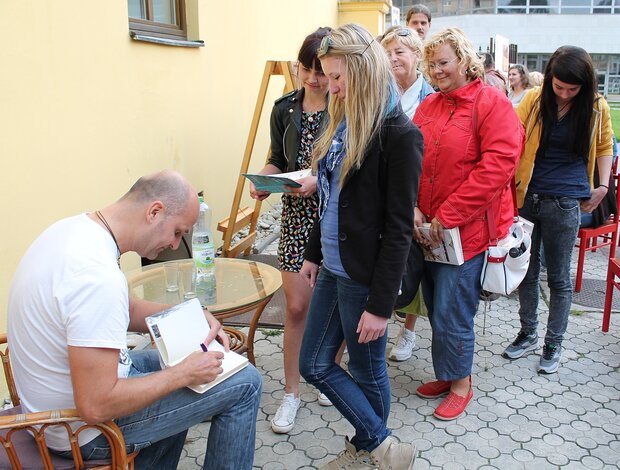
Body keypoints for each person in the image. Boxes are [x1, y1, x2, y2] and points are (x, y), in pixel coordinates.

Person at [7, 170, 262, 470]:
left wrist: (190, 315)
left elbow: (122, 311)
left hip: (56, 403)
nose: (174, 244)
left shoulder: (75, 232)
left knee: (175, 364)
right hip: (80, 433)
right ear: (155, 212)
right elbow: (95, 405)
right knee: (245, 383)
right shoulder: (96, 277)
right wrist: (180, 374)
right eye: (178, 232)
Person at [299, 23, 423, 469]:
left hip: (364, 276)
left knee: (369, 371)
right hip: (334, 266)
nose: (330, 88)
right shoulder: (345, 123)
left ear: (363, 71)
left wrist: (380, 304)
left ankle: (366, 451)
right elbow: (331, 196)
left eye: (337, 77)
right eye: (327, 77)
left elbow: (398, 229)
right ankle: (383, 447)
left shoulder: (399, 135)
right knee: (313, 363)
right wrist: (315, 253)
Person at [412, 28, 523, 420]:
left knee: (452, 310)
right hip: (429, 232)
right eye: (432, 64)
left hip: (467, 233)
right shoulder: (430, 105)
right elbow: (410, 157)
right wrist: (414, 209)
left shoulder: (492, 104)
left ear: (464, 59)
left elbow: (496, 168)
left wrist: (448, 214)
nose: (437, 71)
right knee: (434, 303)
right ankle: (447, 372)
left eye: (444, 62)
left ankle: (461, 383)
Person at [248, 26, 338, 435]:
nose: (314, 79)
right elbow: (277, 159)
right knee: (297, 309)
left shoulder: (346, 107)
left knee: (331, 306)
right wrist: (263, 180)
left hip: (333, 219)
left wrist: (320, 182)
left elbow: (352, 166)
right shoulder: (285, 107)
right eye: (307, 69)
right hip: (296, 221)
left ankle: (330, 373)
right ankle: (291, 393)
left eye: (321, 70)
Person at [502, 46, 613, 374]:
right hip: (528, 197)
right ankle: (528, 332)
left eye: (572, 89)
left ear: (585, 86)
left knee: (559, 278)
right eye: (559, 87)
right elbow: (512, 133)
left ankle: (554, 341)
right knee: (526, 271)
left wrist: (604, 185)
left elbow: (605, 145)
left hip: (566, 202)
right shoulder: (535, 99)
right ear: (550, 78)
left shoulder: (596, 107)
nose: (564, 95)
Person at [380, 26, 434, 362]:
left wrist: (416, 203)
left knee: (414, 265)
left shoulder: (431, 97)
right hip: (382, 195)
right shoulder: (380, 93)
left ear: (417, 56)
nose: (394, 57)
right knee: (385, 266)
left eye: (400, 51)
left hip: (418, 197)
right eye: (388, 52)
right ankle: (377, 328)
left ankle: (410, 330)